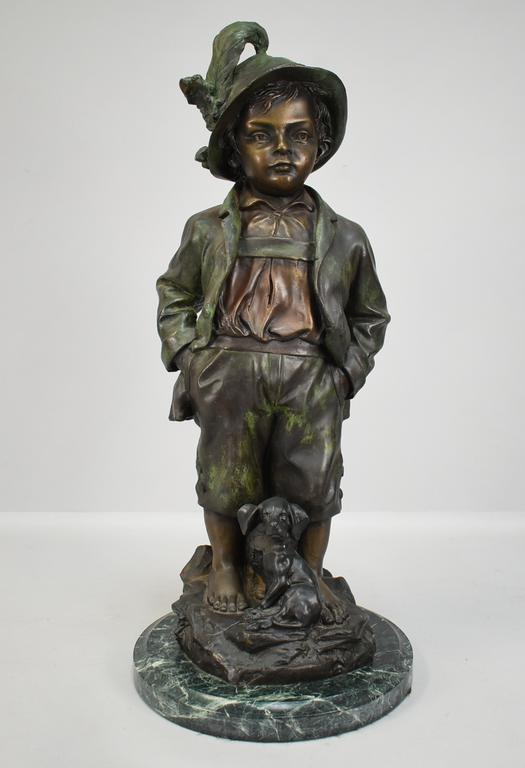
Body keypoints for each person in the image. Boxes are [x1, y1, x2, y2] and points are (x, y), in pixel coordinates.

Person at [156, 22, 390, 621]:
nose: (282, 149)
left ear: (321, 143)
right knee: (226, 476)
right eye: (262, 135)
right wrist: (191, 358)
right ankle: (226, 564)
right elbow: (175, 292)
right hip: (229, 369)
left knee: (312, 482)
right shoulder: (207, 229)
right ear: (235, 147)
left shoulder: (345, 237)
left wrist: (346, 373)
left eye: (298, 135)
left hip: (311, 373)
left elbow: (370, 313)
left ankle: (309, 572)